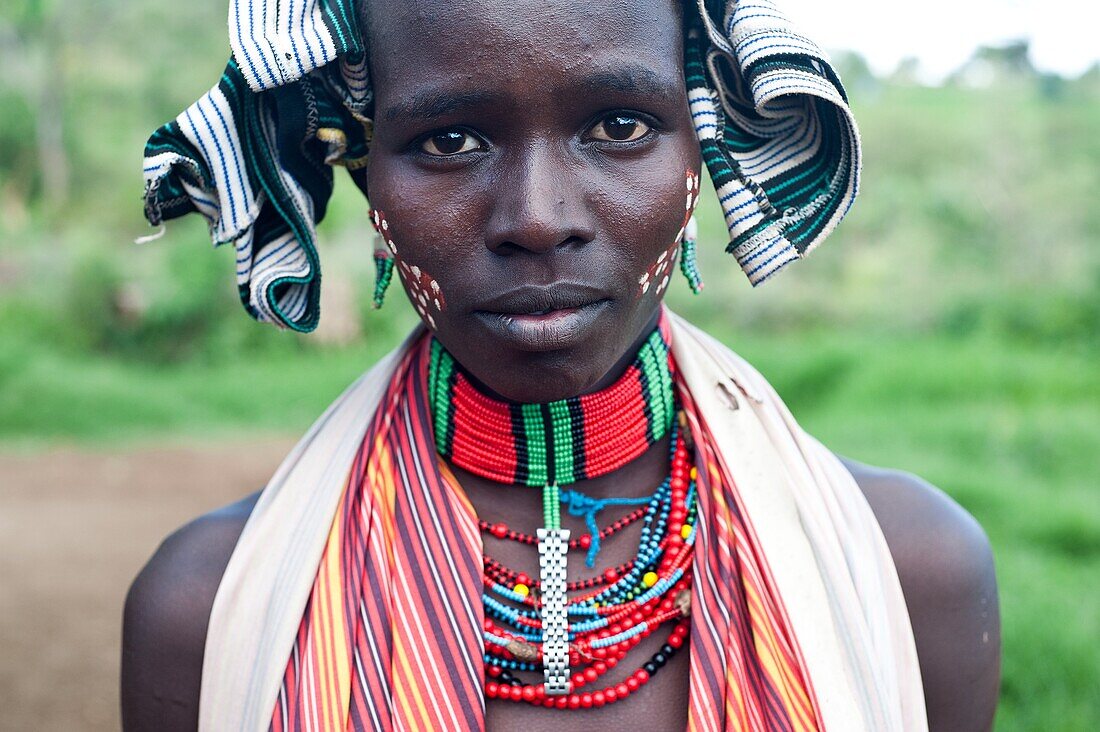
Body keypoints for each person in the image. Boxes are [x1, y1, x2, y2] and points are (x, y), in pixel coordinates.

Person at [121, 0, 1001, 729]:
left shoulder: (907, 574)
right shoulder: (206, 615)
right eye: (450, 140)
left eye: (619, 126)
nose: (538, 219)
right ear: (366, 177)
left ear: (701, 153)